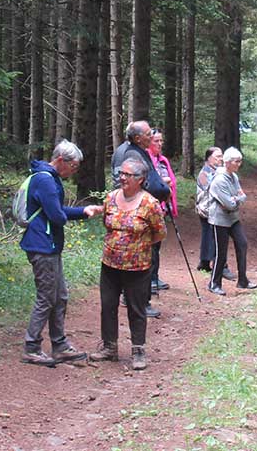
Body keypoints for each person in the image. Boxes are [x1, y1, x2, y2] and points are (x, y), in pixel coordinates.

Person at [19, 141, 103, 366]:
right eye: (73, 166)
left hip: (49, 245)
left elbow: (56, 211)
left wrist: (83, 212)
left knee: (60, 295)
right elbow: (56, 215)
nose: (74, 171)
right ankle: (32, 347)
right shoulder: (45, 180)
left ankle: (59, 344)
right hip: (42, 245)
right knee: (47, 297)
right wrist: (68, 215)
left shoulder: (49, 178)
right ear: (60, 160)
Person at [89, 158, 167, 370]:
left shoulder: (150, 203)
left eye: (127, 175)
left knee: (136, 308)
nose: (122, 178)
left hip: (137, 267)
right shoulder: (111, 198)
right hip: (110, 264)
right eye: (120, 174)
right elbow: (107, 223)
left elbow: (159, 233)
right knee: (107, 305)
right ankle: (109, 347)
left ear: (140, 179)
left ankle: (138, 350)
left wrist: (137, 248)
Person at [111, 120, 170, 318]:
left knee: (132, 255)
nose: (151, 136)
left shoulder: (124, 150)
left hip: (130, 210)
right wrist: (164, 190)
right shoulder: (134, 155)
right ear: (137, 138)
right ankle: (140, 302)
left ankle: (130, 297)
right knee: (144, 256)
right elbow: (149, 184)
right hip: (138, 213)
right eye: (147, 134)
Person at [207, 147, 257, 295]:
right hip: (219, 220)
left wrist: (235, 199)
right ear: (227, 162)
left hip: (233, 218)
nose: (239, 164)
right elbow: (229, 204)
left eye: (240, 161)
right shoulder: (219, 180)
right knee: (221, 253)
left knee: (242, 244)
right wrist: (235, 199)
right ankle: (214, 283)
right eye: (237, 161)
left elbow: (241, 197)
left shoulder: (233, 177)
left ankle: (243, 280)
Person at [148, 129, 178, 293]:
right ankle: (150, 278)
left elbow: (171, 180)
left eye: (161, 141)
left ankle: (154, 276)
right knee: (151, 244)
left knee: (157, 243)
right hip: (152, 207)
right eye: (156, 141)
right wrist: (162, 181)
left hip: (163, 207)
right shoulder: (147, 160)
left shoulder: (163, 160)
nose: (159, 144)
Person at [195, 147, 223, 272]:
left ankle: (204, 261)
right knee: (208, 233)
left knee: (209, 234)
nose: (220, 159)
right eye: (217, 156)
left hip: (211, 208)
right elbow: (212, 189)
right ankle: (207, 261)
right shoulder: (204, 173)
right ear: (208, 158)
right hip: (206, 209)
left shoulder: (216, 171)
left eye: (221, 156)